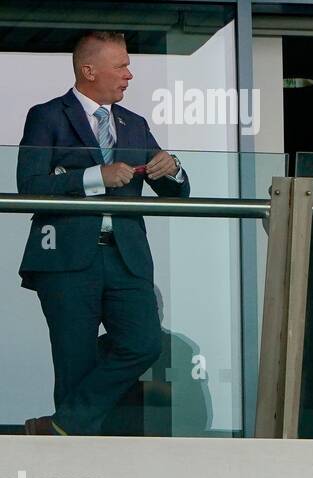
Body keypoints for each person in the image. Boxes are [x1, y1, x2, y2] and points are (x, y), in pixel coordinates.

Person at [18, 31, 190, 436]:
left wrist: (173, 168)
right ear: (89, 70)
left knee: (144, 343)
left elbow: (176, 190)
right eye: (122, 65)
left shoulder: (135, 124)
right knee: (74, 363)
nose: (129, 74)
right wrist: (96, 177)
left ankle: (59, 427)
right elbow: (28, 185)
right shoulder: (47, 116)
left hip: (125, 256)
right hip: (67, 258)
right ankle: (75, 464)